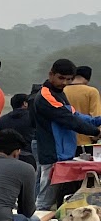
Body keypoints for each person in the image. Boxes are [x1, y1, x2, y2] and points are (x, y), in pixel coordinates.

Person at [30, 59, 101, 209]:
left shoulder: (59, 94)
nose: (65, 82)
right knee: (45, 198)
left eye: (69, 79)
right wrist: (95, 132)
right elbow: (68, 119)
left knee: (60, 197)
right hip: (52, 153)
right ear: (51, 74)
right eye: (61, 78)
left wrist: (97, 121)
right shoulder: (45, 96)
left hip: (64, 154)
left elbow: (76, 115)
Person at [0, 91, 38, 169]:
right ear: (25, 103)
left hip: (6, 156)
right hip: (28, 156)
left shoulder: (2, 120)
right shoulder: (33, 118)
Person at [68, 64, 101, 158]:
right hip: (86, 143)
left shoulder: (62, 91)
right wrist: (96, 136)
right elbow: (96, 115)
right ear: (87, 78)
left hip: (66, 143)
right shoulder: (91, 92)